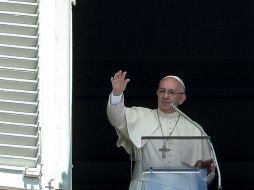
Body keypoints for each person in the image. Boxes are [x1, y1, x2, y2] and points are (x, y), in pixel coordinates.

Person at [107, 70, 216, 190]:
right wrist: (117, 94)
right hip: (145, 185)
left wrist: (206, 169)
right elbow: (117, 118)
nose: (165, 96)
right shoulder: (142, 116)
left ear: (181, 98)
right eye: (162, 91)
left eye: (171, 92)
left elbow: (207, 173)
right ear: (157, 93)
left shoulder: (194, 128)